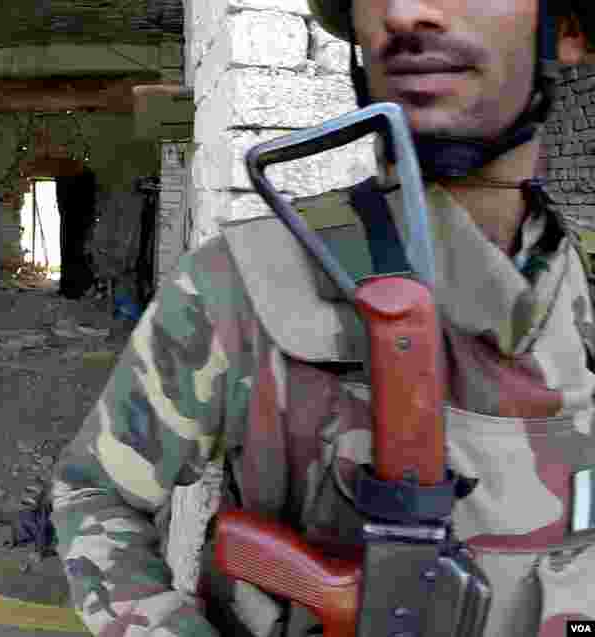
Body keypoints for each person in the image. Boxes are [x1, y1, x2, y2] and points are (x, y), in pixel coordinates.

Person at [51, 1, 595, 636]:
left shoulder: (576, 287)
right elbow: (95, 492)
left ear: (568, 29)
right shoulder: (246, 280)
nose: (405, 9)